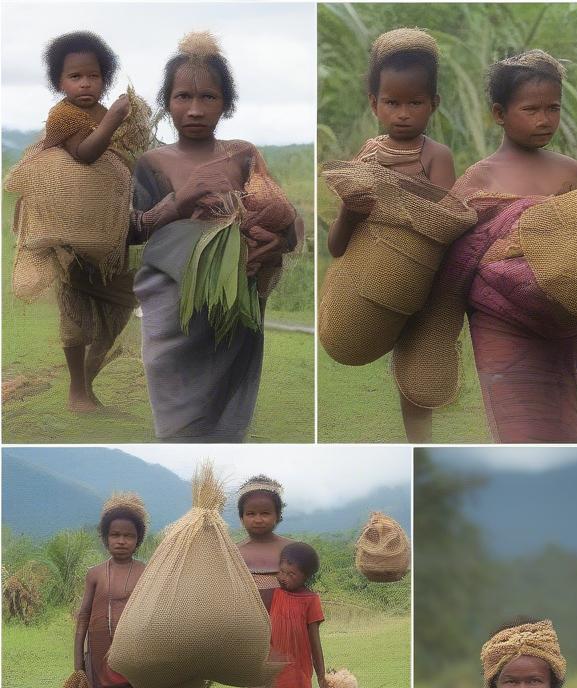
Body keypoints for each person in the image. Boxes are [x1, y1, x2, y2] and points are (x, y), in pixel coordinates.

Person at [444, 52, 577, 444]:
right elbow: (457, 253)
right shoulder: (480, 177)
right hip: (501, 325)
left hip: (564, 328)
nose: (544, 119)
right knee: (519, 433)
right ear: (499, 114)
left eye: (553, 108)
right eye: (531, 109)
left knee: (568, 435)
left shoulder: (569, 170)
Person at [130, 31, 301, 442]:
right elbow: (131, 230)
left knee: (226, 401)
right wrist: (181, 199)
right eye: (182, 97)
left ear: (226, 103)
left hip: (236, 297)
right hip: (173, 302)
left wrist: (278, 243)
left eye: (208, 97)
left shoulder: (242, 154)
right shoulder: (151, 162)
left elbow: (286, 219)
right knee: (174, 402)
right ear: (166, 102)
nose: (194, 109)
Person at [6, 31, 150, 412]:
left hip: (105, 239)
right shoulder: (63, 115)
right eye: (75, 76)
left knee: (121, 306)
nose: (85, 83)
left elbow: (121, 158)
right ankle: (77, 392)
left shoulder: (104, 114)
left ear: (105, 78)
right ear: (59, 82)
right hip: (68, 240)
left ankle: (86, 384)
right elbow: (85, 155)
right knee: (75, 314)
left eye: (94, 76)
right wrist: (115, 120)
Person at [327, 28, 456, 443]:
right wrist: (351, 210)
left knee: (419, 379)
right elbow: (336, 245)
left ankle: (423, 447)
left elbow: (446, 224)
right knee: (391, 367)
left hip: (425, 289)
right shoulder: (366, 157)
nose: (403, 113)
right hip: (372, 286)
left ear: (433, 104)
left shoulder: (436, 157)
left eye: (415, 103)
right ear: (374, 104)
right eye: (392, 102)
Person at [74, 492, 155, 688]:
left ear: (138, 540)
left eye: (129, 536)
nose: (121, 541)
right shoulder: (95, 574)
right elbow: (83, 616)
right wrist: (78, 662)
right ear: (105, 538)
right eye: (115, 534)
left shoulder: (147, 572)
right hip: (98, 658)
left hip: (137, 660)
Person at [250, 541, 327, 688]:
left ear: (306, 576)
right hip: (266, 675)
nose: (283, 577)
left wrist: (322, 676)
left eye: (291, 574)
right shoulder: (271, 594)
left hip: (297, 676)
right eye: (281, 571)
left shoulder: (310, 600)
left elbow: (315, 641)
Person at [236, 475, 293, 612]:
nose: (258, 519)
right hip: (247, 624)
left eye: (265, 513)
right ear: (241, 518)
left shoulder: (292, 549)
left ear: (278, 515)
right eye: (251, 513)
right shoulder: (233, 553)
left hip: (288, 623)